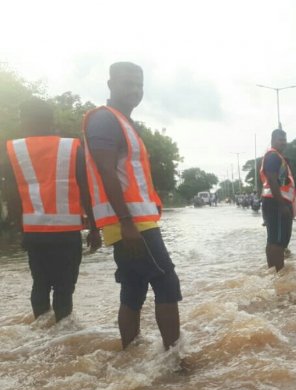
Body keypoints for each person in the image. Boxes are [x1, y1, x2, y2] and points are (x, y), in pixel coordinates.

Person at [83, 62, 181, 350]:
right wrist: (126, 221)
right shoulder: (105, 120)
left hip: (130, 221)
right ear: (110, 84)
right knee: (167, 283)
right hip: (131, 222)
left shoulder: (122, 122)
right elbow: (104, 170)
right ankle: (175, 361)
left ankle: (130, 355)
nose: (135, 90)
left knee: (134, 287)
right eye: (128, 83)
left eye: (139, 84)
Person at [1, 98, 101, 321]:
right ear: (51, 120)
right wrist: (95, 229)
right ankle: (60, 337)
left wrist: (21, 230)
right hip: (67, 233)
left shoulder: (13, 150)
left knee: (40, 284)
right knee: (64, 289)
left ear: (25, 120)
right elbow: (86, 190)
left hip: (34, 232)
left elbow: (11, 195)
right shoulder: (72, 147)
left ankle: (40, 335)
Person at [259, 129, 295, 271]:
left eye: (285, 139)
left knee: (274, 239)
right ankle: (279, 273)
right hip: (276, 202)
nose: (283, 142)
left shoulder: (278, 157)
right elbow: (273, 180)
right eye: (280, 139)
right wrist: (282, 205)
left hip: (273, 201)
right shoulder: (273, 156)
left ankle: (273, 272)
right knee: (278, 242)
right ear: (273, 139)